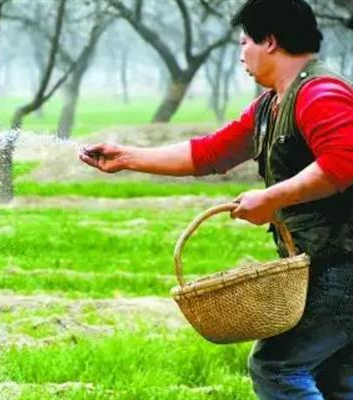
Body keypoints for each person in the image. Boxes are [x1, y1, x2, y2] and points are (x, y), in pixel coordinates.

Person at [79, 0, 353, 398]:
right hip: (327, 263)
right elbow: (209, 154)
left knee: (277, 367)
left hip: (343, 267)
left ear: (270, 42)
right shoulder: (271, 106)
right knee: (333, 378)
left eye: (244, 42)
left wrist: (270, 199)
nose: (241, 53)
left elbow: (344, 162)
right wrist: (128, 157)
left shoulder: (320, 94)